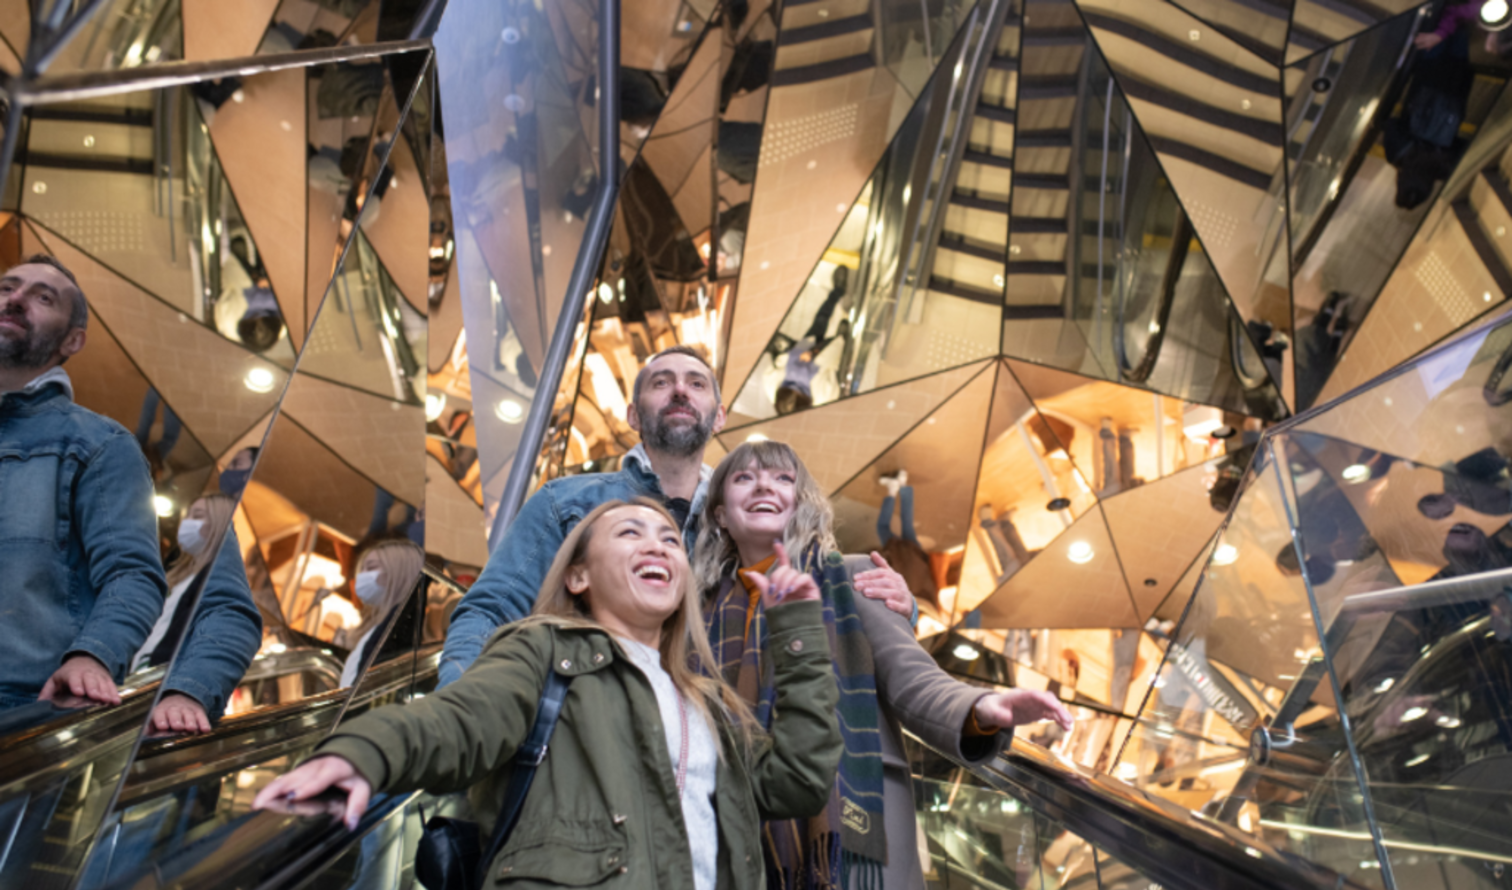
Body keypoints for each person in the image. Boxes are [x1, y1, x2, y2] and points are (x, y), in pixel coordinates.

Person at [255, 500, 843, 890]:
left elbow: (797, 781)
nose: (659, 545)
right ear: (578, 577)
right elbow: (461, 720)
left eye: (670, 539)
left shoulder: (708, 702)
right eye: (630, 532)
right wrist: (363, 753)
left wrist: (796, 633)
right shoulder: (542, 649)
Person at [694, 441, 1075, 890]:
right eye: (744, 478)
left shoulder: (852, 576)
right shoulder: (697, 615)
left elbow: (913, 678)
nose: (764, 486)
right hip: (736, 829)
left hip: (854, 830)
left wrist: (983, 707)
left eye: (782, 478)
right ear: (720, 514)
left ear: (800, 502)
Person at [440, 345, 913, 685]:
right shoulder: (565, 503)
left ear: (720, 416)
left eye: (696, 384)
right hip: (582, 730)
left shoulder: (749, 522)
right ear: (631, 414)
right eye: (661, 383)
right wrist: (457, 701)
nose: (680, 391)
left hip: (715, 751)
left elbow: (817, 598)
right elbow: (491, 610)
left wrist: (894, 604)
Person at [0, 255, 166, 710]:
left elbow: (131, 574)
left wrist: (93, 655)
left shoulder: (99, 444)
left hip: (20, 710)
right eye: (6, 288)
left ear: (73, 341)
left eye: (43, 297)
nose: (14, 299)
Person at [133, 494, 263, 734]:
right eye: (188, 515)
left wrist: (189, 689)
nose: (188, 523)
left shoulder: (213, 577)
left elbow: (233, 622)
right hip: (136, 691)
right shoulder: (174, 579)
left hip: (162, 704)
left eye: (199, 516)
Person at [335, 539, 426, 688]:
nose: (361, 577)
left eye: (371, 568)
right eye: (362, 569)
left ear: (399, 573)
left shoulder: (398, 631)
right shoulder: (375, 629)